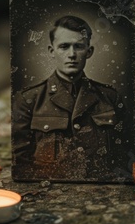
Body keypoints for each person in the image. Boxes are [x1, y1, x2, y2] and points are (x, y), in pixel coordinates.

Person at [12, 15, 128, 181]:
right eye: (64, 47)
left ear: (89, 51)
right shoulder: (29, 99)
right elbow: (21, 161)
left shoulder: (110, 97)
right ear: (52, 51)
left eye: (78, 46)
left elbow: (124, 152)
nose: (72, 54)